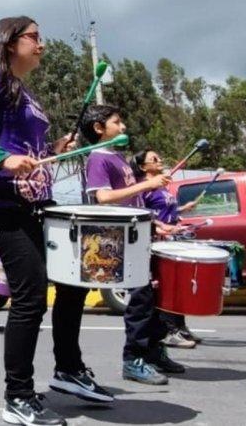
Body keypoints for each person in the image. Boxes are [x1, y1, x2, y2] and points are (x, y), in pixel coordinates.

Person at [0, 16, 100, 426]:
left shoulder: (21, 90)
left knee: (72, 283)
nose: (41, 44)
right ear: (10, 42)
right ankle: (18, 396)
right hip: (9, 204)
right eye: (34, 37)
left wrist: (53, 148)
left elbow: (23, 147)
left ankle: (68, 370)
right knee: (29, 298)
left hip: (37, 203)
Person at [82, 105, 185, 385]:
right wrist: (147, 185)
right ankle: (133, 359)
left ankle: (153, 350)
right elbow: (103, 197)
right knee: (139, 300)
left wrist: (155, 224)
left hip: (139, 233)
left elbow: (133, 202)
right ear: (99, 128)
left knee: (153, 297)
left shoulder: (117, 157)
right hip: (122, 238)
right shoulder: (98, 158)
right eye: (117, 122)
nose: (123, 126)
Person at [130, 151, 201, 348]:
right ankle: (169, 331)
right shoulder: (144, 187)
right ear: (143, 167)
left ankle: (180, 327)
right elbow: (145, 213)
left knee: (177, 285)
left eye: (159, 157)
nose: (160, 160)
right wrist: (162, 227)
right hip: (156, 240)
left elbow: (165, 210)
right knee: (166, 286)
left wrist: (182, 210)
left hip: (170, 238)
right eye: (154, 159)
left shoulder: (161, 186)